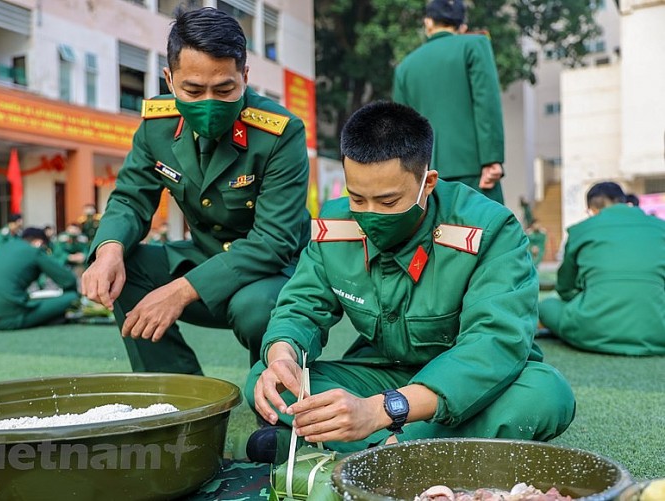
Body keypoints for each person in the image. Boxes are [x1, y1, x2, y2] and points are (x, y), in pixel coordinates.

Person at [245, 102, 575, 463]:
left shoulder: (491, 229)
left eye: (388, 201)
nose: (369, 214)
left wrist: (381, 411)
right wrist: (283, 356)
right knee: (265, 378)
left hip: (471, 384)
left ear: (427, 183)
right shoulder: (335, 225)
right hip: (382, 375)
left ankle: (356, 452)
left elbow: (493, 345)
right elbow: (300, 307)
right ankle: (411, 453)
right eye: (357, 198)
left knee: (545, 395)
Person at [82, 7, 310, 374]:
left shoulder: (280, 134)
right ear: (169, 80)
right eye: (192, 89)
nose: (209, 103)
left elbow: (274, 241)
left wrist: (182, 290)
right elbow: (131, 197)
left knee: (256, 310)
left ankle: (277, 413)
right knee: (123, 269)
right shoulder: (156, 126)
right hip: (203, 257)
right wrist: (108, 250)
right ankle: (178, 397)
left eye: (224, 89)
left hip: (272, 275)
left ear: (245, 77)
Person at [393, 0, 505, 204]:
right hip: (474, 172)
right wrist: (492, 159)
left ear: (428, 22)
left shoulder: (405, 67)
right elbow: (486, 103)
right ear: (462, 26)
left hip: (424, 180)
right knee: (486, 232)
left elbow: (403, 129)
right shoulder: (475, 45)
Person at [539, 182, 665, 356]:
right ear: (624, 202)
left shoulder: (581, 230)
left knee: (547, 306)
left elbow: (564, 288)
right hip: (658, 334)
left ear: (592, 210)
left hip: (591, 332)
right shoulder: (660, 227)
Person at [0, 227, 79, 330]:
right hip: (7, 317)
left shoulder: (3, 248)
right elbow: (69, 280)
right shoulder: (34, 251)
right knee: (71, 297)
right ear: (39, 243)